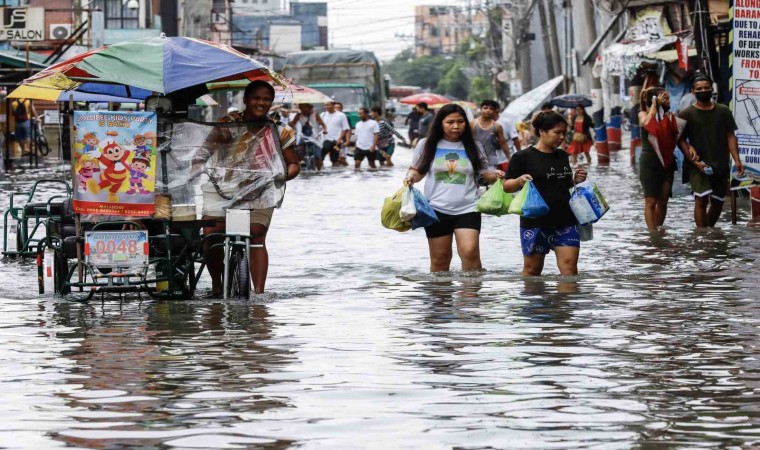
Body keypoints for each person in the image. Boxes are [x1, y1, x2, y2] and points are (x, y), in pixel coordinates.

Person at [201, 80, 301, 295]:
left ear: (271, 103)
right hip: (222, 189)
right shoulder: (226, 124)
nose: (261, 103)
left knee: (256, 235)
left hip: (262, 190)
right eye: (256, 98)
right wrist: (194, 168)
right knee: (211, 235)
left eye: (266, 99)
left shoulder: (280, 131)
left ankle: (259, 294)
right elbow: (203, 153)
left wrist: (281, 177)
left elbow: (294, 164)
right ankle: (217, 285)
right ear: (246, 100)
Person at [404, 104, 502, 272]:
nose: (456, 126)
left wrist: (496, 175)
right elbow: (417, 170)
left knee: (470, 252)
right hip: (436, 209)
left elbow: (484, 174)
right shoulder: (426, 144)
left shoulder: (474, 146)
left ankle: (471, 296)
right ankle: (441, 296)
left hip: (468, 207)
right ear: (440, 123)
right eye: (450, 122)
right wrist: (411, 177)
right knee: (440, 258)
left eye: (460, 122)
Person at [503, 111, 588, 276]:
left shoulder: (562, 155)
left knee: (570, 271)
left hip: (566, 220)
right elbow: (506, 186)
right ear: (542, 131)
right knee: (532, 271)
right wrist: (519, 181)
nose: (561, 137)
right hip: (535, 222)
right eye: (557, 132)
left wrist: (574, 181)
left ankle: (566, 302)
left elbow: (560, 184)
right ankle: (534, 300)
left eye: (564, 133)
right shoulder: (522, 157)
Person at [678, 74, 744, 228]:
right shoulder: (685, 114)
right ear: (693, 92)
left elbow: (730, 136)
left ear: (712, 89)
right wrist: (693, 157)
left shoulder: (723, 111)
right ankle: (702, 237)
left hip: (720, 162)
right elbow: (678, 139)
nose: (703, 91)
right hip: (697, 164)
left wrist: (737, 160)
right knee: (701, 199)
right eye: (699, 89)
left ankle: (708, 233)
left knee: (718, 202)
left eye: (706, 88)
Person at [638, 87, 695, 230]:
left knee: (663, 202)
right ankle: (653, 236)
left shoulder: (670, 117)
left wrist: (690, 147)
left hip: (667, 164)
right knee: (650, 201)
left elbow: (678, 138)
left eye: (668, 98)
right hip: (649, 164)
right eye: (665, 98)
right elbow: (646, 124)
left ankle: (658, 231)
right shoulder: (643, 114)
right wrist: (654, 106)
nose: (669, 101)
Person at [472, 99, 512, 171]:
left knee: (491, 181)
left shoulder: (497, 126)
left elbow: (503, 143)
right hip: (474, 159)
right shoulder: (472, 123)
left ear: (494, 111)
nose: (488, 110)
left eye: (491, 109)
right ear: (481, 109)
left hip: (491, 160)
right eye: (485, 108)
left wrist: (509, 158)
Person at [289, 103, 327, 170]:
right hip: (304, 137)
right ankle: (301, 165)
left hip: (316, 137)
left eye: (304, 107)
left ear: (309, 107)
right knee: (299, 153)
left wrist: (324, 130)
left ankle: (320, 170)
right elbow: (293, 125)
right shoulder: (299, 115)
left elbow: (323, 125)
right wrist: (291, 124)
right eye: (301, 107)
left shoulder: (315, 114)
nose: (302, 109)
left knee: (318, 156)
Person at [320, 100, 351, 167]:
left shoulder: (341, 115)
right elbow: (319, 127)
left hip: (336, 142)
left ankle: (336, 175)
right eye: (325, 105)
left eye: (328, 105)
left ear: (333, 105)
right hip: (324, 141)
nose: (326, 107)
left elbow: (345, 128)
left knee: (335, 160)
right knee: (320, 158)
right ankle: (320, 172)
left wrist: (340, 139)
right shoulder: (322, 115)